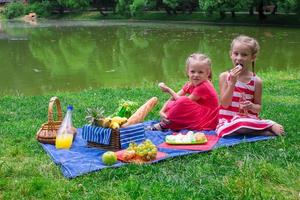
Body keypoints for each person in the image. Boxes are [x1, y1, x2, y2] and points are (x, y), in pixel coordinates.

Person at [216, 35, 284, 137]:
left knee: (242, 122)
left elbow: (258, 108)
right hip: (227, 121)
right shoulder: (224, 77)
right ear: (231, 54)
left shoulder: (256, 81)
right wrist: (232, 83)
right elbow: (224, 104)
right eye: (236, 54)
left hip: (247, 119)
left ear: (253, 58)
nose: (239, 58)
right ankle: (261, 131)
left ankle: (269, 125)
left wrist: (251, 106)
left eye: (244, 55)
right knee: (223, 132)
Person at [151, 53, 219, 131]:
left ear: (207, 73)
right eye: (193, 72)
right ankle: (167, 122)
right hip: (199, 113)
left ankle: (163, 125)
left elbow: (183, 102)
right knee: (172, 104)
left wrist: (168, 90)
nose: (196, 75)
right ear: (187, 72)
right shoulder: (189, 84)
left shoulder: (203, 86)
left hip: (208, 119)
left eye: (200, 72)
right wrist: (162, 112)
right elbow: (173, 98)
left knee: (181, 101)